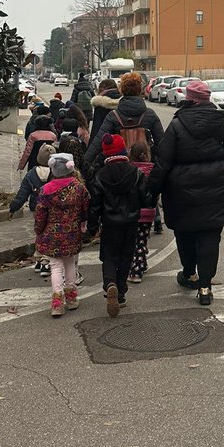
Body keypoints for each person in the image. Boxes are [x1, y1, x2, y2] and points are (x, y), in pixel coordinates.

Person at [146, 79, 224, 307]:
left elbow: (163, 162)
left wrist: (150, 191)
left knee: (185, 233)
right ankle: (205, 287)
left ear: (189, 99)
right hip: (217, 187)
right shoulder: (223, 124)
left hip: (182, 190)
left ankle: (189, 273)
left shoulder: (177, 125)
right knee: (210, 236)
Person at [87, 134, 145, 317]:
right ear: (123, 151)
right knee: (126, 256)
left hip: (110, 223)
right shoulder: (136, 173)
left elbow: (95, 204)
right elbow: (146, 198)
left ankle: (109, 283)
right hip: (131, 223)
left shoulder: (100, 176)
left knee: (109, 256)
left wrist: (92, 226)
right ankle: (120, 292)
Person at [34, 153, 90, 317]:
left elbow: (40, 214)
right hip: (72, 232)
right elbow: (85, 206)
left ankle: (57, 302)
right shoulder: (79, 187)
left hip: (52, 235)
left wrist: (39, 229)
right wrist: (83, 221)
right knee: (70, 264)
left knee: (55, 267)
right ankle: (71, 297)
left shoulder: (45, 190)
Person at [86, 71, 165, 164]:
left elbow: (97, 143)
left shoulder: (113, 116)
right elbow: (162, 144)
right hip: (144, 165)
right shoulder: (150, 115)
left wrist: (84, 163)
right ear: (140, 90)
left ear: (121, 90)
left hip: (119, 167)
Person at [128, 139, 155, 282]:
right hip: (148, 211)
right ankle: (139, 267)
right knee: (142, 239)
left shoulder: (129, 170)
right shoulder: (152, 170)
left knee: (134, 240)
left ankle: (136, 269)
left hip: (132, 211)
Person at [9, 142, 54, 218]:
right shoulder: (56, 173)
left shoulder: (31, 174)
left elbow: (22, 193)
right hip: (52, 205)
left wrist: (13, 208)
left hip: (36, 205)